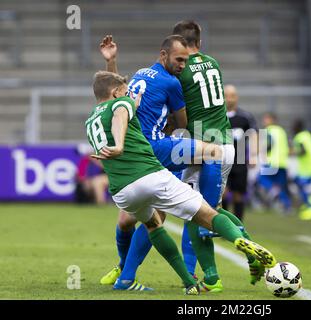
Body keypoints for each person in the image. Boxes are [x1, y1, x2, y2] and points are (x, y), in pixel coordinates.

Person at [85, 70, 276, 294]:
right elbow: (120, 112)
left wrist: (112, 68)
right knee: (208, 212)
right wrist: (119, 143)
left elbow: (115, 98)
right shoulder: (122, 104)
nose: (130, 94)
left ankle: (165, 279)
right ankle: (240, 242)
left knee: (153, 225)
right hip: (151, 174)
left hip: (122, 192)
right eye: (125, 92)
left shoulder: (91, 119)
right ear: (117, 93)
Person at [98, 35, 228, 290]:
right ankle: (210, 217)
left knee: (127, 221)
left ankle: (123, 270)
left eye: (185, 60)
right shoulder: (171, 83)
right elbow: (182, 124)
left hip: (133, 152)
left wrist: (112, 61)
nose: (182, 65)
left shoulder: (140, 74)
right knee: (212, 154)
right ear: (163, 55)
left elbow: (117, 95)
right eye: (179, 59)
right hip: (153, 149)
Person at [172, 20, 266, 290]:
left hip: (203, 148)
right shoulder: (213, 62)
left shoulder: (181, 70)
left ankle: (212, 277)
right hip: (225, 146)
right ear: (199, 43)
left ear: (178, 44)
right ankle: (249, 249)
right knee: (213, 211)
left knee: (198, 214)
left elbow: (181, 116)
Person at [221, 84, 258, 221]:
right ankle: (225, 226)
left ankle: (239, 226)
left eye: (232, 96)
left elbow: (254, 135)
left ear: (237, 98)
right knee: (222, 193)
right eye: (226, 96)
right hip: (222, 160)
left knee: (238, 194)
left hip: (240, 161)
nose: (229, 99)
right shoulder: (217, 116)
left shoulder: (245, 117)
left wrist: (253, 155)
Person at [256, 112, 291, 213]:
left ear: (271, 120)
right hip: (282, 162)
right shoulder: (282, 131)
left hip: (271, 162)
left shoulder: (268, 130)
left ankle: (273, 191)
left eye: (266, 119)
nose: (264, 121)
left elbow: (269, 144)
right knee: (282, 186)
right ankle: (287, 207)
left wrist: (262, 151)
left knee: (261, 179)